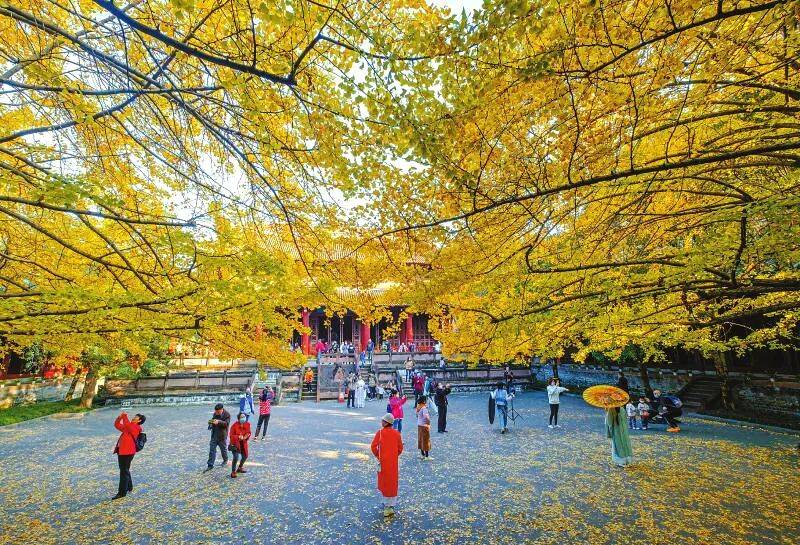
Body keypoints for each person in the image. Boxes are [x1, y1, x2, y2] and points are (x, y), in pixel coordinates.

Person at [371, 413, 404, 518]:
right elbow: (400, 448)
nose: (381, 422)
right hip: (393, 462)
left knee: (384, 482)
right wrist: (394, 455)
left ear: (386, 423)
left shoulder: (380, 433)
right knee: (392, 481)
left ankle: (386, 504)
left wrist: (378, 455)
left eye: (383, 420)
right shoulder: (397, 433)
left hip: (383, 461)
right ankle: (391, 505)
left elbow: (373, 446)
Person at [112, 411, 145, 500]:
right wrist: (120, 417)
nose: (134, 417)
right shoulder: (128, 427)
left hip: (128, 452)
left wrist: (124, 416)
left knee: (124, 471)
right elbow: (117, 425)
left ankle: (122, 492)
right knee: (125, 469)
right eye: (135, 416)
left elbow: (128, 425)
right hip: (122, 451)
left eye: (136, 417)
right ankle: (129, 486)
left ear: (139, 420)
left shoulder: (136, 427)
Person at [206, 403, 231, 471]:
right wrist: (210, 423)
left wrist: (219, 422)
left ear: (221, 409)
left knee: (223, 450)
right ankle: (210, 465)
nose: (216, 413)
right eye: (216, 411)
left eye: (218, 412)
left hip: (222, 436)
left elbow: (226, 424)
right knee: (212, 450)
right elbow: (212, 420)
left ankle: (225, 460)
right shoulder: (215, 413)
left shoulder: (227, 414)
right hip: (214, 435)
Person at [228, 412, 251, 478]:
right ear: (238, 419)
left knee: (245, 456)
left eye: (244, 417)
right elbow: (231, 436)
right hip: (235, 444)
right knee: (236, 457)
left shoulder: (247, 424)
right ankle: (233, 472)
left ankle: (240, 467)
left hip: (243, 443)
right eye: (241, 417)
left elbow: (249, 432)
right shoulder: (234, 426)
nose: (243, 418)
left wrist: (246, 436)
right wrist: (238, 437)